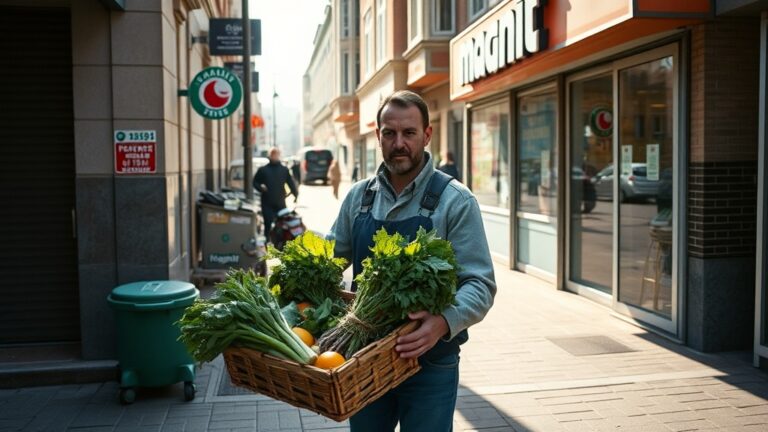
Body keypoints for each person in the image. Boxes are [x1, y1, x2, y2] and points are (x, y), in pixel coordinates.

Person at [330, 90, 496, 432]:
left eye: (409, 133)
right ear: (378, 135)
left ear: (427, 134)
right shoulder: (358, 197)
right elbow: (330, 262)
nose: (399, 143)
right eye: (389, 133)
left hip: (430, 364)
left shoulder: (456, 201)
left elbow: (480, 283)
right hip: (364, 360)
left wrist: (443, 322)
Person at [252, 147, 298, 239]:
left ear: (279, 156)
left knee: (282, 225)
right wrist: (260, 188)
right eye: (273, 155)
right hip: (267, 203)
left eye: (276, 155)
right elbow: (255, 182)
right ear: (270, 156)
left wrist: (295, 195)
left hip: (280, 203)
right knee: (268, 225)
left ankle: (279, 243)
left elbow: (291, 184)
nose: (274, 157)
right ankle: (267, 242)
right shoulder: (263, 170)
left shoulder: (284, 170)